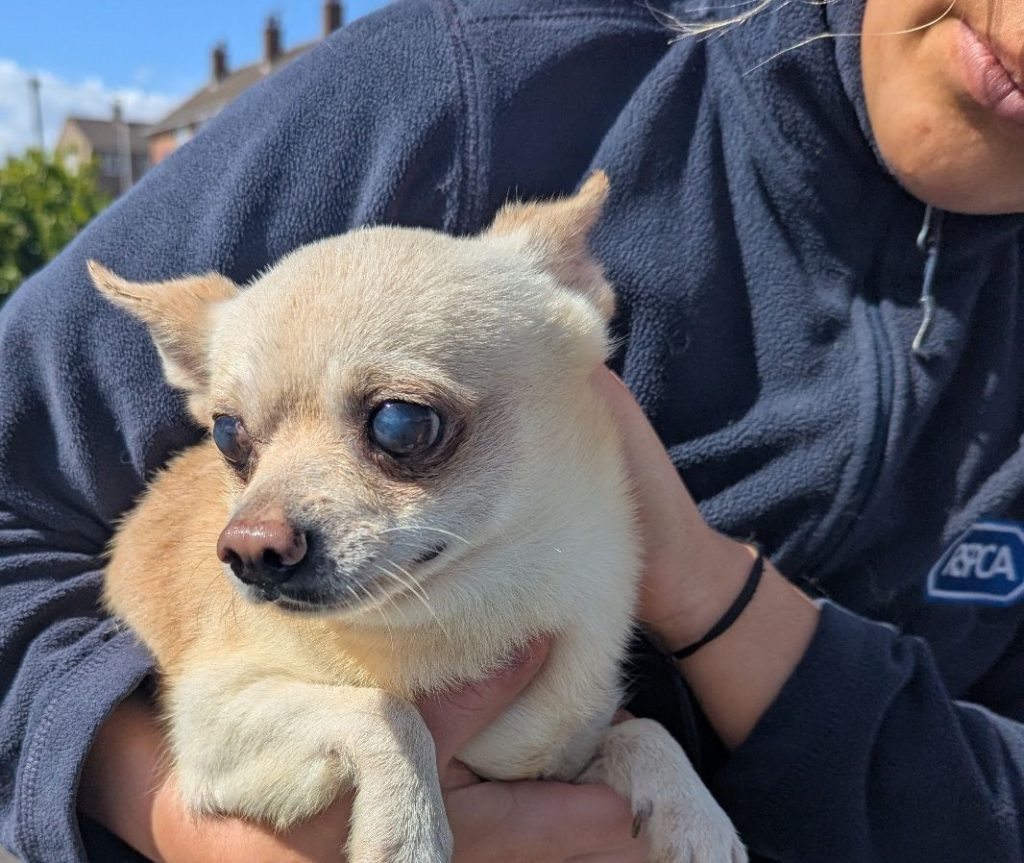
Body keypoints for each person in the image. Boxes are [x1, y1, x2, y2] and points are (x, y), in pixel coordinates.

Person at [1, 0, 1022, 860]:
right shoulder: (469, 82)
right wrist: (164, 810)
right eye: (237, 442)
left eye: (402, 425)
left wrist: (709, 596)